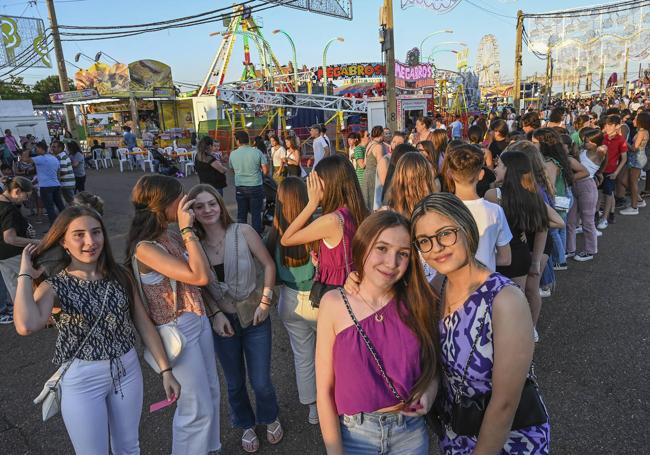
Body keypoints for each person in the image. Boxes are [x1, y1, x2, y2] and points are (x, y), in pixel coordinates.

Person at [14, 206, 181, 454]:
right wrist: (24, 275)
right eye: (79, 234)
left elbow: (143, 323)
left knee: (129, 447)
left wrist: (165, 370)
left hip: (127, 369)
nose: (90, 241)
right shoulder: (55, 286)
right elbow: (26, 325)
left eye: (96, 232)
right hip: (82, 377)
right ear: (64, 241)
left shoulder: (120, 275)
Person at [411, 193, 550, 454]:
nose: (437, 247)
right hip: (456, 432)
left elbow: (505, 405)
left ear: (466, 228)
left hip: (507, 441)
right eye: (424, 241)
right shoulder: (437, 289)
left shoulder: (504, 300)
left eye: (445, 233)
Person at [317, 211, 439, 455]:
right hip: (354, 436)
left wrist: (429, 393)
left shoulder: (418, 302)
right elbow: (324, 390)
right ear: (363, 246)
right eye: (382, 248)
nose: (391, 262)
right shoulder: (333, 304)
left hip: (410, 434)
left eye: (402, 254)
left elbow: (433, 367)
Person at [125, 175, 221, 455]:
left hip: (198, 318)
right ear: (162, 204)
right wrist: (188, 229)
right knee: (194, 407)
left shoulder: (168, 234)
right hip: (176, 330)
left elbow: (193, 282)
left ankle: (210, 448)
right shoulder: (145, 248)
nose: (187, 202)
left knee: (212, 393)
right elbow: (200, 275)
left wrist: (214, 312)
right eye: (181, 197)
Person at [187, 183, 281, 454]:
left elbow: (268, 264)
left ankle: (270, 415)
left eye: (212, 203)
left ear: (220, 203)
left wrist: (265, 300)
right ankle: (245, 423)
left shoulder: (243, 231)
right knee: (234, 381)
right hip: (222, 320)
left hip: (254, 315)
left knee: (261, 380)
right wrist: (215, 313)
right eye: (199, 206)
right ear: (191, 212)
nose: (207, 210)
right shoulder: (194, 245)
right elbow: (196, 284)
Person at [486, 151, 564, 333]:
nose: (495, 168)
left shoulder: (493, 194)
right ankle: (523, 335)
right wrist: (527, 223)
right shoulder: (529, 195)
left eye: (499, 165)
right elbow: (559, 221)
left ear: (509, 170)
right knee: (517, 299)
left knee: (495, 300)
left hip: (500, 253)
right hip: (520, 254)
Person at [265, 177, 318, 426]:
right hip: (318, 300)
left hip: (288, 300)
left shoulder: (273, 234)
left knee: (303, 357)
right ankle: (337, 405)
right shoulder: (315, 229)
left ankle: (313, 409)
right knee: (330, 354)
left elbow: (270, 274)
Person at [282, 155, 368, 301]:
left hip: (336, 293)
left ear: (330, 183)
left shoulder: (332, 220)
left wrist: (312, 204)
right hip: (356, 289)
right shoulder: (360, 212)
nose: (313, 186)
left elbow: (286, 239)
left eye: (317, 180)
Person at [445, 145, 512, 272]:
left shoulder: (442, 210)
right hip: (485, 283)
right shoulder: (495, 211)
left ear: (449, 174)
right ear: (481, 175)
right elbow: (506, 258)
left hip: (451, 283)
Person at [0, 176, 38, 324]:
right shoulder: (9, 209)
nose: (25, 200)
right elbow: (10, 238)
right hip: (11, 253)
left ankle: (21, 315)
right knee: (30, 279)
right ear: (17, 191)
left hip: (2, 255)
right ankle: (31, 315)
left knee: (13, 284)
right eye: (26, 196)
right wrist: (37, 242)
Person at [567, 128, 607, 261]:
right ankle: (570, 249)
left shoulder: (599, 152)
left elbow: (604, 148)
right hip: (575, 186)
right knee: (571, 221)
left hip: (587, 186)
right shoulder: (583, 150)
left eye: (588, 141)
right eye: (585, 140)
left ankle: (590, 250)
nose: (585, 142)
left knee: (587, 221)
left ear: (595, 143)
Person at [229, 131, 269, 235]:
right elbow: (265, 170)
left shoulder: (233, 154)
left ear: (237, 141)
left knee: (241, 214)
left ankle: (242, 235)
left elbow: (232, 169)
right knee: (256, 214)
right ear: (248, 140)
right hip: (256, 186)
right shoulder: (257, 152)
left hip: (240, 187)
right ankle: (257, 237)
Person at [24, 141, 65, 224]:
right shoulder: (54, 158)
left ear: (40, 148)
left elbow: (24, 159)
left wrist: (28, 149)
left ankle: (53, 227)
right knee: (60, 206)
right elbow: (58, 172)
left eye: (36, 149)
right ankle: (68, 222)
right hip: (56, 185)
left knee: (50, 208)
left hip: (45, 186)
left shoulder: (40, 158)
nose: (35, 150)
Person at [620, 111, 650, 215]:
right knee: (624, 180)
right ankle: (639, 200)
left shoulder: (642, 132)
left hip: (637, 158)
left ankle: (634, 207)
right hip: (635, 158)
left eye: (635, 119)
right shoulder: (641, 131)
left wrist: (623, 141)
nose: (633, 120)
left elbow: (634, 148)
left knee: (633, 183)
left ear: (641, 121)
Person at [362, 126, 390, 210]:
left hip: (366, 175)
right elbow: (381, 164)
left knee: (368, 202)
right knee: (375, 202)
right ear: (381, 134)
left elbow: (365, 163)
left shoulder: (370, 144)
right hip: (374, 177)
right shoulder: (378, 147)